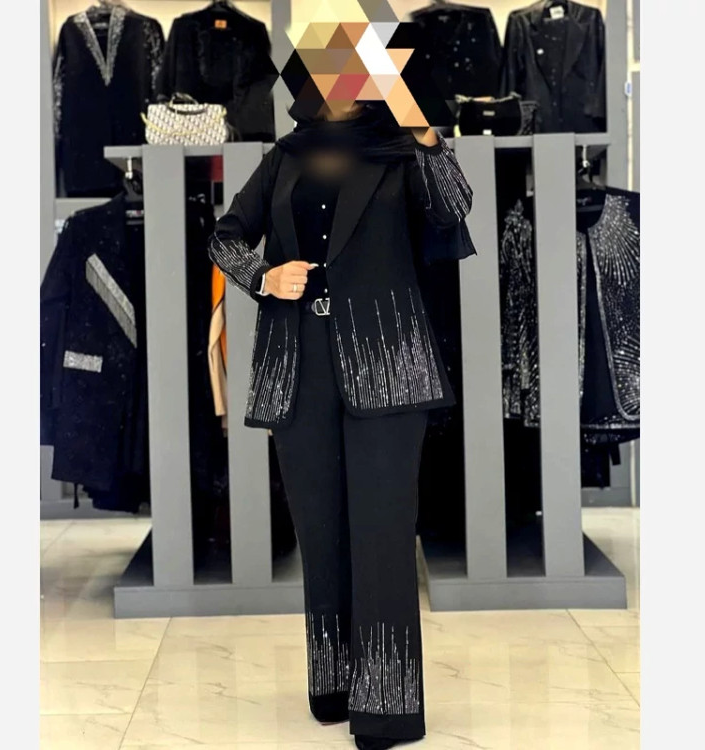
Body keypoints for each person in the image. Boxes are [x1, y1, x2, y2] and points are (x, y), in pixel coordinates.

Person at [208, 98, 475, 749]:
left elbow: (454, 207)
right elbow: (224, 237)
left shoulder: (403, 151)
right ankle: (333, 687)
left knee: (383, 536)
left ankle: (386, 706)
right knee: (320, 532)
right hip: (299, 364)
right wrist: (264, 277)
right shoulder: (286, 156)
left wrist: (425, 134)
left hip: (388, 364)